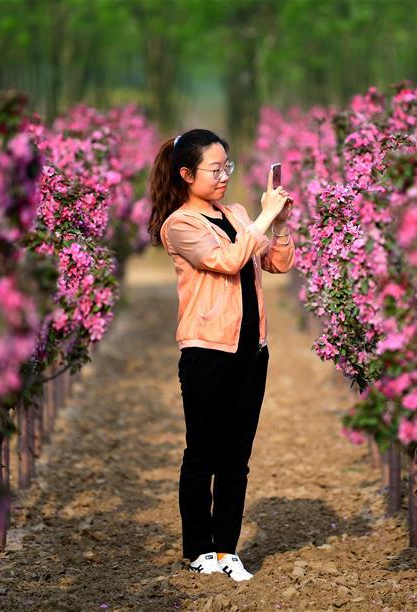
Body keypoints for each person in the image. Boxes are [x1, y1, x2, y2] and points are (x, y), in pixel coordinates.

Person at [148, 128, 295, 581]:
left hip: (251, 351)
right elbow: (228, 261)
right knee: (203, 453)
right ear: (187, 174)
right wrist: (260, 222)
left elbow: (277, 263)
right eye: (215, 169)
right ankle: (198, 549)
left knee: (237, 456)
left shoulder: (236, 213)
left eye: (227, 167)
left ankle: (227, 550)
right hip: (206, 352)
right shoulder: (180, 225)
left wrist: (280, 222)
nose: (224, 177)